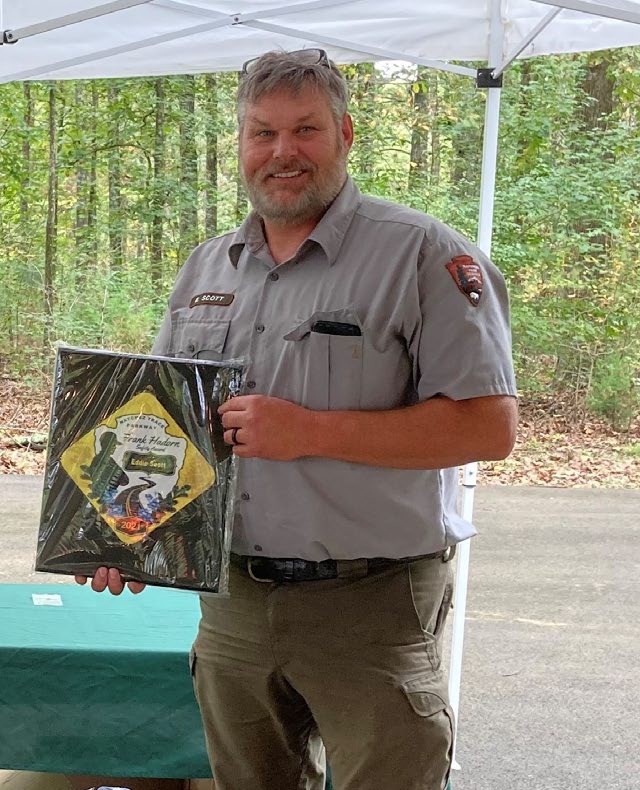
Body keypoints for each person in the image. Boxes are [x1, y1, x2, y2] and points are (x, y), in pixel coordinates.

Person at [77, 49, 518, 790]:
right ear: (241, 147)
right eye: (262, 133)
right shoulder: (206, 267)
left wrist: (309, 430)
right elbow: (163, 428)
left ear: (346, 134)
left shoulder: (421, 255)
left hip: (369, 604)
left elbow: (487, 427)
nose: (283, 152)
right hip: (235, 607)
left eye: (305, 130)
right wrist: (120, 535)